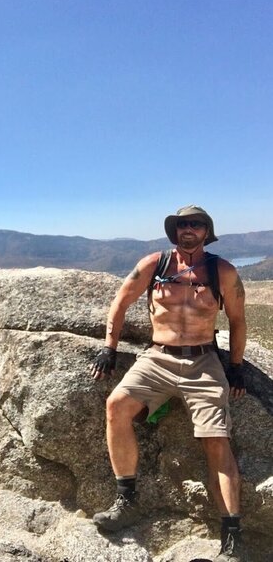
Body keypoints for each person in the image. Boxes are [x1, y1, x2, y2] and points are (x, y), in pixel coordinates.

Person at [90, 205, 247, 562]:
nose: (187, 229)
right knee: (116, 406)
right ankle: (126, 499)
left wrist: (235, 367)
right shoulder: (154, 265)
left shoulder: (221, 271)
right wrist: (109, 348)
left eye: (195, 224)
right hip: (158, 357)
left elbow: (238, 320)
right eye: (181, 225)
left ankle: (232, 538)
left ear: (207, 231)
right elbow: (121, 301)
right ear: (174, 231)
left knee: (216, 441)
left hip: (204, 360)